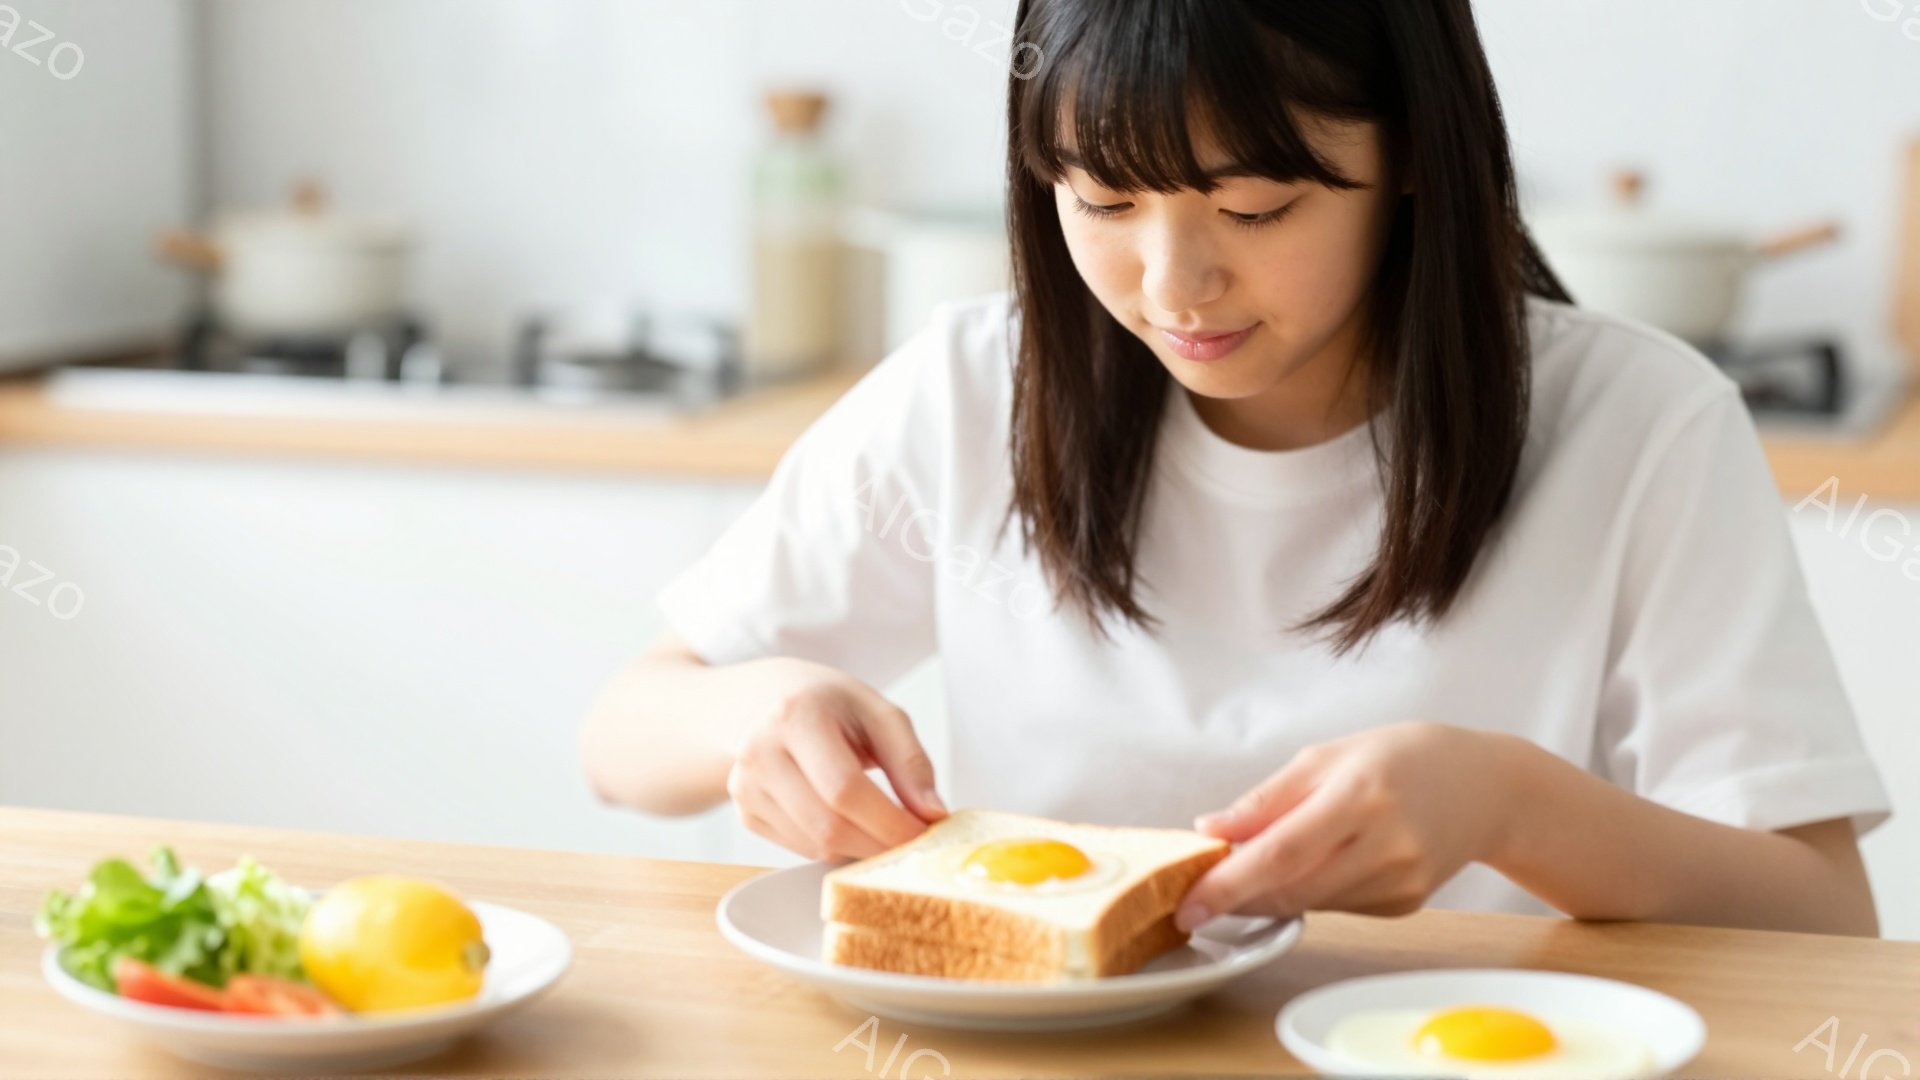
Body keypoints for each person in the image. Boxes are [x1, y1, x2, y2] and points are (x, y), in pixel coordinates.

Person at [582, 0, 1888, 935]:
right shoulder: (975, 389)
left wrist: (1506, 803)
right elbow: (624, 735)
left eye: (1256, 209)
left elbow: (1823, 914)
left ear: (1414, 154)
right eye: (1102, 201)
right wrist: (759, 717)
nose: (1174, 286)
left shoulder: (1640, 424)